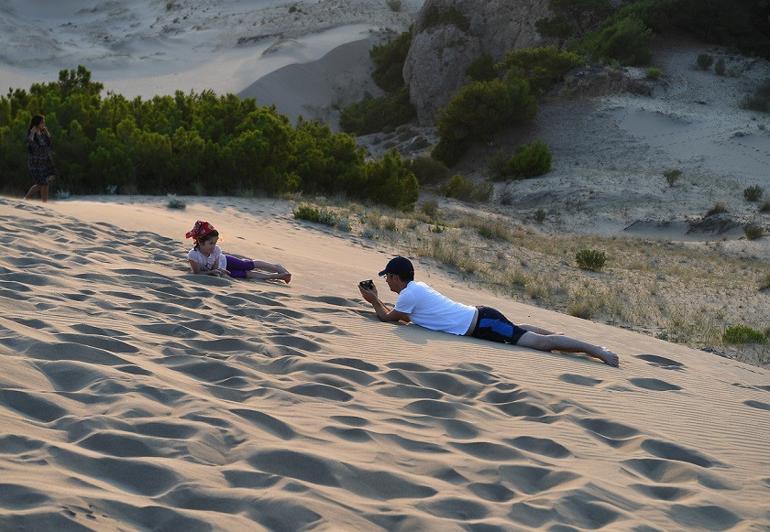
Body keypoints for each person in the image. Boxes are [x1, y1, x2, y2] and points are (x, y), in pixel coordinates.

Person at [358, 256, 619, 367]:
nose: (386, 281)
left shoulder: (409, 294)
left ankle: (597, 350)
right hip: (483, 319)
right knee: (525, 333)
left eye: (387, 277)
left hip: (484, 325)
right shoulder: (415, 289)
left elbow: (389, 318)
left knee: (539, 344)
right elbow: (401, 316)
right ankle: (564, 338)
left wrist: (373, 300)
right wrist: (379, 300)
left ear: (396, 277)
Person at [185, 220, 291, 283]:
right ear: (200, 241)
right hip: (221, 272)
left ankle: (276, 267)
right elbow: (197, 273)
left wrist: (216, 270)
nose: (214, 246)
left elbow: (215, 268)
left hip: (226, 261)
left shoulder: (216, 250)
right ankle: (277, 277)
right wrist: (216, 272)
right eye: (211, 243)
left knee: (247, 264)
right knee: (246, 274)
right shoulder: (193, 255)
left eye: (215, 242)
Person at [24, 115, 56, 202]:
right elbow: (31, 144)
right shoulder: (32, 134)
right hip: (35, 163)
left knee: (45, 184)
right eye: (42, 122)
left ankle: (44, 203)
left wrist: (47, 132)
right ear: (37, 123)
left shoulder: (43, 134)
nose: (44, 124)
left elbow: (49, 145)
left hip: (44, 162)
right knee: (42, 183)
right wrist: (32, 133)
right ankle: (26, 199)